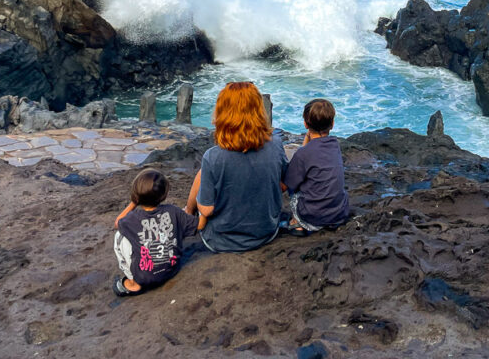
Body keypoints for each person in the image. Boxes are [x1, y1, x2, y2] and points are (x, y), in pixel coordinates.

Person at [185, 81, 288, 252]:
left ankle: (187, 211)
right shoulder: (276, 144)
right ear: (258, 111)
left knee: (204, 175)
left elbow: (207, 209)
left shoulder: (213, 157)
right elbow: (283, 184)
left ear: (223, 113)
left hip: (221, 241)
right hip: (266, 233)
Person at [112, 168, 199, 296]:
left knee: (119, 236)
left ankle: (133, 283)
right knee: (176, 224)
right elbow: (196, 225)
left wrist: (133, 203)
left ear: (136, 196)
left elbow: (117, 222)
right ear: (164, 194)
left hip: (144, 277)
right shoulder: (173, 211)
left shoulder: (132, 219)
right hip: (171, 269)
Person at [281, 98, 350, 236]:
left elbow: (288, 184)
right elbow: (313, 154)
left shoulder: (303, 154)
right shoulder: (335, 145)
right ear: (332, 124)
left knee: (294, 187)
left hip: (314, 216)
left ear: (305, 124)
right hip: (338, 213)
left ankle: (298, 223)